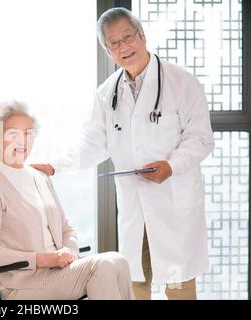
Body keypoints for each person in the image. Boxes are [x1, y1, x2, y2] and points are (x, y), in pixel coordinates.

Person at [33, 8, 214, 300]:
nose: (123, 47)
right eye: (113, 43)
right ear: (107, 51)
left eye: (127, 37)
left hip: (173, 204)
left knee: (179, 287)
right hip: (135, 207)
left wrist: (171, 165)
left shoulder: (182, 82)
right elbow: (91, 145)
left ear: (142, 36)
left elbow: (201, 139)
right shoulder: (107, 93)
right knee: (135, 285)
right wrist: (55, 166)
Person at [0, 101, 134, 300]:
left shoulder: (40, 177)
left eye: (28, 133)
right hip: (23, 283)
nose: (22, 141)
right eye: (13, 134)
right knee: (104, 266)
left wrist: (68, 251)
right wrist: (44, 259)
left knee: (119, 261)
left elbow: (67, 229)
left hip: (60, 273)